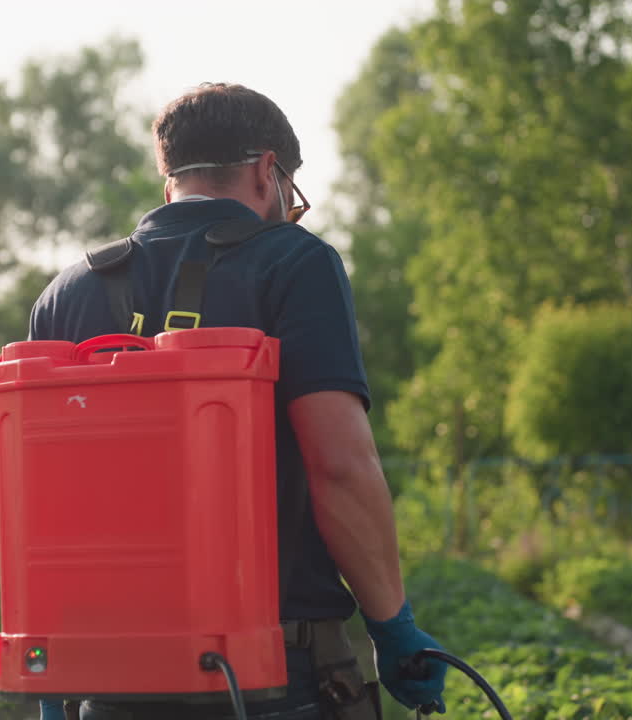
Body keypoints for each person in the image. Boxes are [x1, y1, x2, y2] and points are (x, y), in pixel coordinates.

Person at [27, 83, 448, 720]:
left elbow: (45, 507)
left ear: (168, 179)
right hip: (274, 674)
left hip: (108, 682)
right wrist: (393, 629)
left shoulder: (66, 295)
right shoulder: (293, 264)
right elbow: (339, 465)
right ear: (267, 171)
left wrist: (54, 683)